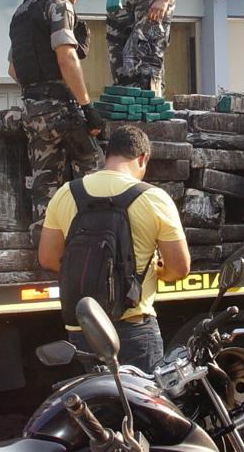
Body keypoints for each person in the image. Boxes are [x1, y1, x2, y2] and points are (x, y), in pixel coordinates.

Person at [39, 125, 191, 372]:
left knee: (100, 404)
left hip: (83, 328)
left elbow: (48, 258)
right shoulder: (153, 197)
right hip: (133, 326)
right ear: (142, 159)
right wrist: (154, 271)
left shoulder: (66, 193)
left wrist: (93, 273)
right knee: (143, 407)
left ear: (107, 156)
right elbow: (179, 268)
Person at [8, 0, 104, 235]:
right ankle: (94, 240)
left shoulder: (21, 13)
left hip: (33, 113)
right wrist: (88, 109)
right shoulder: (59, 4)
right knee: (95, 168)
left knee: (45, 187)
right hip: (61, 111)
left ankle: (46, 255)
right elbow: (66, 59)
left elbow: (13, 70)